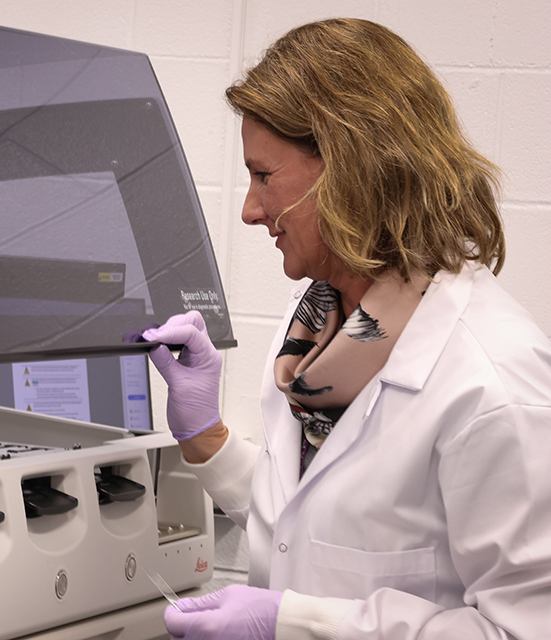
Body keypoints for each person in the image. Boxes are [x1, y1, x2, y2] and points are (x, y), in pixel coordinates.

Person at [142, 18, 551, 640]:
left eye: (263, 176)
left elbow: (524, 630)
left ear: (349, 170)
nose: (250, 210)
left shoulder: (490, 381)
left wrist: (297, 624)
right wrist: (208, 440)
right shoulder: (321, 323)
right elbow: (313, 526)